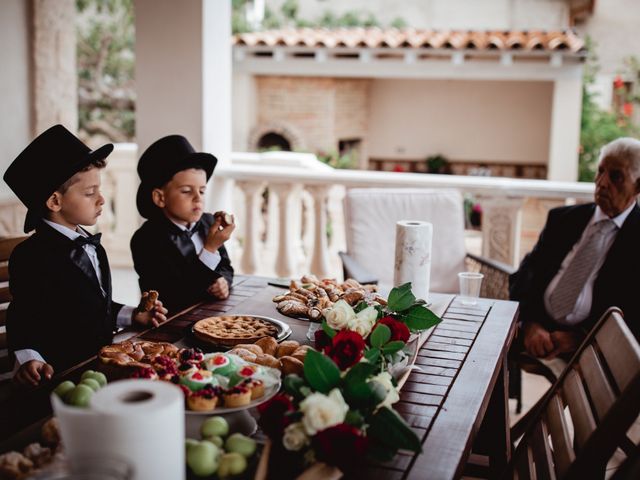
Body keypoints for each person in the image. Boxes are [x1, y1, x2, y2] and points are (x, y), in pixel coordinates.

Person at [3, 125, 168, 387]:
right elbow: (22, 315)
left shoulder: (92, 245)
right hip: (62, 374)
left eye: (99, 190)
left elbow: (94, 307)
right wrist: (28, 358)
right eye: (90, 193)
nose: (101, 199)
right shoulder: (31, 256)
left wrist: (133, 315)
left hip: (103, 363)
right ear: (55, 202)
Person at [511, 137, 640, 360]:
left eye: (615, 176)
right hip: (536, 328)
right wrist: (530, 324)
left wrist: (581, 338)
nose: (602, 182)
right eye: (600, 171)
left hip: (595, 349)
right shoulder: (563, 220)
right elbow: (526, 273)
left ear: (638, 186)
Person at [130, 135, 234, 315]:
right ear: (160, 197)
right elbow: (176, 293)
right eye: (186, 191)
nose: (198, 198)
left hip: (213, 315)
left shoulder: (208, 222)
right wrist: (209, 249)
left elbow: (226, 267)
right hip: (171, 325)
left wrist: (223, 281)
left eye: (202, 190)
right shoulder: (147, 239)